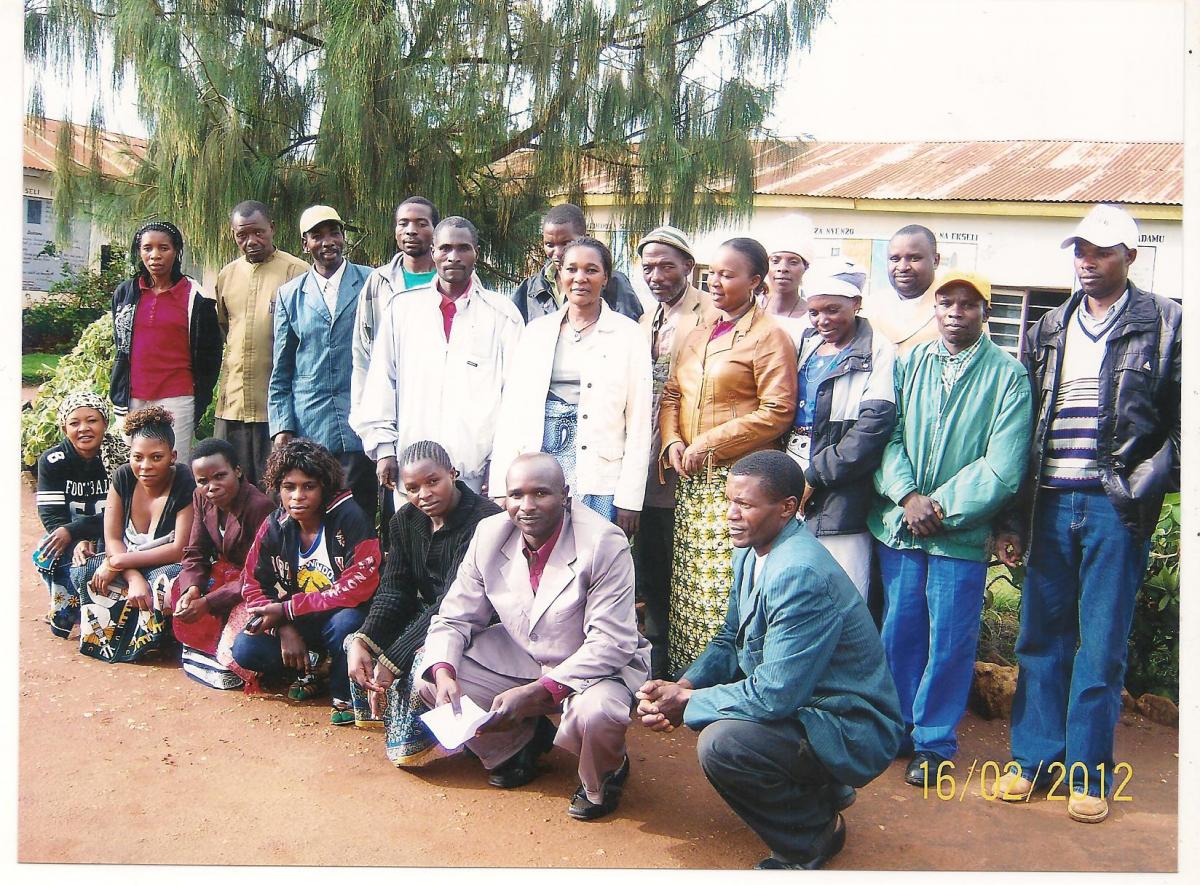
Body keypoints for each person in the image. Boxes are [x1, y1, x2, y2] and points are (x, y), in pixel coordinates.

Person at [992, 204, 1181, 824]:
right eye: (1080, 251)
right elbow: (1023, 424)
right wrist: (1014, 518)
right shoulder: (1048, 327)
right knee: (1040, 637)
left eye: (1101, 252)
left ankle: (1088, 772)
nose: (1087, 263)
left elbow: (1185, 429)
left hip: (1112, 509)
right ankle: (1032, 759)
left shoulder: (1168, 323)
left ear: (1130, 255)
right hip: (1049, 501)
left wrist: (1135, 489)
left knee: (1100, 646)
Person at [636, 451, 903, 870]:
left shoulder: (798, 572)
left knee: (723, 743)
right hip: (810, 704)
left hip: (852, 725)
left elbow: (774, 695)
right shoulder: (753, 549)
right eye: (729, 501)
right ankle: (824, 792)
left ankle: (813, 837)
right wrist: (686, 685)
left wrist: (686, 704)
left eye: (744, 504)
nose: (730, 514)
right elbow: (729, 637)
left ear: (787, 508)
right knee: (721, 717)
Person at [418, 453, 651, 820]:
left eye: (540, 493)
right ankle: (517, 748)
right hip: (523, 655)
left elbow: (611, 642)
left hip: (596, 667)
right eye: (516, 495)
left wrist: (539, 692)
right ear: (503, 499)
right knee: (433, 674)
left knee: (598, 713)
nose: (526, 506)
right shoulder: (490, 534)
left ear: (566, 496)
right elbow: (454, 616)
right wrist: (444, 671)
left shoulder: (604, 542)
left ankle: (604, 776)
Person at [868, 271, 1032, 785]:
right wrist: (907, 497)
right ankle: (895, 727)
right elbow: (887, 436)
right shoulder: (910, 363)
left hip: (957, 535)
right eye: (946, 302)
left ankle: (934, 741)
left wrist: (938, 508)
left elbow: (1003, 466)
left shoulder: (1008, 376)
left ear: (986, 310)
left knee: (951, 641)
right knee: (899, 630)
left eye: (968, 303)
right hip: (902, 526)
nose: (955, 312)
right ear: (934, 308)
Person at [658, 237, 797, 672]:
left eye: (727, 274)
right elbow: (672, 393)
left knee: (727, 589)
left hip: (739, 481)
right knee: (692, 587)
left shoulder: (769, 336)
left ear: (755, 281)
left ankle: (734, 678)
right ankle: (688, 677)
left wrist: (708, 442)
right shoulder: (699, 333)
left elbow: (778, 411)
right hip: (694, 480)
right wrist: (673, 442)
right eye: (711, 273)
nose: (714, 282)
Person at [345, 440, 501, 763]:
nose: (424, 495)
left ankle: (480, 733)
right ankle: (396, 720)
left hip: (481, 623)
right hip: (435, 617)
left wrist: (393, 659)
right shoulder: (404, 522)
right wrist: (366, 640)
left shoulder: (484, 522)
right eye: (413, 487)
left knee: (419, 659)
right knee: (356, 643)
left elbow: (454, 601)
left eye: (433, 482)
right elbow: (394, 590)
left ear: (453, 474)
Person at [351, 216, 522, 499]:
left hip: (475, 476)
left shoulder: (501, 314)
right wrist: (383, 450)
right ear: (433, 252)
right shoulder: (403, 309)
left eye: (463, 248)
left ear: (476, 253)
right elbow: (381, 382)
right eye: (445, 248)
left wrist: (502, 463)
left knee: (477, 543)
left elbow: (515, 398)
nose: (453, 256)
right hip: (413, 475)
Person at [489, 236, 651, 532]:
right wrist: (502, 482)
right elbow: (512, 412)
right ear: (559, 273)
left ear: (606, 277)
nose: (580, 278)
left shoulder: (629, 335)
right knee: (541, 555)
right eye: (571, 269)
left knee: (594, 558)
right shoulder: (536, 333)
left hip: (601, 470)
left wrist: (630, 497)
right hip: (540, 459)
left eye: (591, 270)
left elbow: (639, 423)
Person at [233, 439, 381, 724]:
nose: (297, 496)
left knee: (346, 622)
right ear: (278, 488)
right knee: (245, 648)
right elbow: (251, 583)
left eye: (308, 486)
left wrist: (287, 610)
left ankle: (344, 693)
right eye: (289, 487)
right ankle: (309, 670)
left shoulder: (350, 517)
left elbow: (359, 586)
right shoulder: (275, 526)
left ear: (325, 486)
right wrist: (284, 625)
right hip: (300, 620)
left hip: (345, 617)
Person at [786, 259, 896, 598]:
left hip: (843, 483)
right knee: (793, 579)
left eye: (833, 310)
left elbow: (871, 430)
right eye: (814, 312)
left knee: (843, 585)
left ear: (857, 304)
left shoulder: (878, 350)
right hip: (793, 461)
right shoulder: (806, 343)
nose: (823, 321)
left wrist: (814, 475)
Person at [633, 225, 715, 678]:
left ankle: (691, 668)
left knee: (689, 570)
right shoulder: (647, 318)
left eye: (667, 264)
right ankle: (658, 660)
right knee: (652, 566)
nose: (657, 274)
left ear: (688, 265)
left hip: (690, 457)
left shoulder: (711, 312)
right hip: (646, 462)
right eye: (648, 267)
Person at [268, 205, 376, 515]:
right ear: (305, 244)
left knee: (360, 512)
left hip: (359, 418)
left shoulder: (370, 283)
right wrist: (282, 427)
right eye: (317, 236)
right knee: (314, 514)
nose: (328, 242)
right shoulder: (290, 295)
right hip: (311, 421)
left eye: (334, 233)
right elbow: (282, 369)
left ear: (343, 238)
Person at [73, 406, 196, 663]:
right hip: (127, 559)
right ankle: (106, 640)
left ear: (172, 456)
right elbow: (113, 538)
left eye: (156, 457)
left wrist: (117, 563)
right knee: (86, 570)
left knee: (170, 580)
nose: (145, 466)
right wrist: (131, 577)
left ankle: (160, 640)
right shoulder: (123, 478)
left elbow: (178, 549)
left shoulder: (185, 481)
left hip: (164, 562)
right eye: (138, 457)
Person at [213, 200, 310, 486]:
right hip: (232, 405)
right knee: (230, 487)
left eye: (258, 233)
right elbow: (224, 329)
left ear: (272, 228)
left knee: (276, 488)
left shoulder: (297, 272)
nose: (250, 241)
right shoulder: (226, 275)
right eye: (242, 235)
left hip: (276, 408)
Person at [109, 221, 221, 462]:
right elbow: (122, 347)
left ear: (177, 250)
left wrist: (201, 394)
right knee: (135, 466)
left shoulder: (195, 296)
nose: (155, 255)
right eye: (147, 248)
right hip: (133, 396)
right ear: (138, 251)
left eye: (164, 248)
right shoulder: (125, 294)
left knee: (174, 465)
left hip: (177, 397)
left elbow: (210, 356)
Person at [168, 437, 275, 690]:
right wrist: (192, 590)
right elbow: (195, 552)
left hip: (255, 586)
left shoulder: (260, 507)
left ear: (238, 471)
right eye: (203, 481)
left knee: (235, 644)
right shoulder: (200, 498)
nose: (211, 487)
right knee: (176, 589)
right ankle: (202, 651)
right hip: (227, 575)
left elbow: (258, 574)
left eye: (219, 476)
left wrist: (208, 603)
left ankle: (232, 661)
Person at [34, 392, 129, 638]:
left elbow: (127, 512)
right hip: (71, 535)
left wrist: (79, 532)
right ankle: (67, 608)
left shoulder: (123, 457)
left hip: (115, 533)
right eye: (74, 423)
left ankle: (109, 611)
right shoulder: (52, 461)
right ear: (64, 427)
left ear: (105, 423)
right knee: (47, 549)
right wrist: (74, 539)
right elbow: (51, 515)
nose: (83, 428)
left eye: (92, 420)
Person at [350, 196, 440, 415]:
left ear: (435, 231)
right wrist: (362, 410)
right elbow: (362, 352)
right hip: (390, 401)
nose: (411, 230)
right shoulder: (378, 281)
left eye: (421, 223)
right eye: (403, 223)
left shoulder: (455, 281)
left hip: (439, 399)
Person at [509, 203, 644, 323]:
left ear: (584, 237)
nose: (558, 252)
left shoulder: (614, 283)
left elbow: (629, 329)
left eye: (566, 243)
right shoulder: (530, 289)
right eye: (549, 244)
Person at [863, 224, 954, 357]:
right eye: (895, 259)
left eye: (914, 258)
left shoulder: (958, 308)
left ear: (935, 260)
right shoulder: (869, 307)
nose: (903, 267)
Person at [760, 215, 817, 346]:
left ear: (806, 268)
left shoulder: (813, 319)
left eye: (793, 262)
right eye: (775, 261)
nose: (783, 268)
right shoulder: (749, 307)